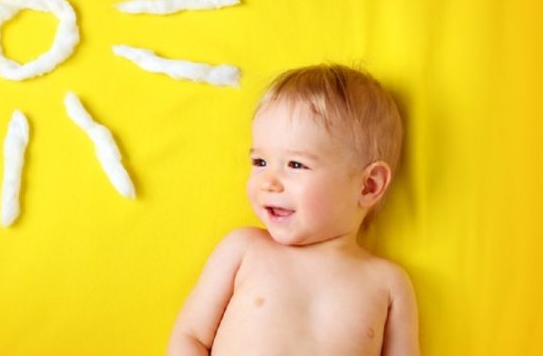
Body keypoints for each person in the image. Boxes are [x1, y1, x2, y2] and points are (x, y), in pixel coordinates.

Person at [167, 63, 419, 356]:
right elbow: (190, 337)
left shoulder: (388, 284)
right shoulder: (244, 250)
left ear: (368, 186)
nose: (268, 182)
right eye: (260, 162)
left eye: (295, 164)